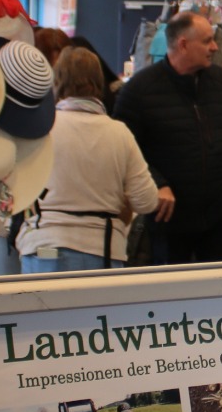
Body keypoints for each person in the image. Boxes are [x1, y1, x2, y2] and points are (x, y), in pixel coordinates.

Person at [112, 13, 222, 264]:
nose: (214, 47)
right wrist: (156, 183)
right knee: (170, 294)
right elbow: (123, 147)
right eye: (207, 41)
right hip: (169, 220)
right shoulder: (140, 90)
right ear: (182, 44)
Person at [19, 48, 160, 273]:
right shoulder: (119, 133)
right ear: (99, 81)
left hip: (44, 244)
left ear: (56, 80)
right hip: (101, 250)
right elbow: (148, 201)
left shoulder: (42, 130)